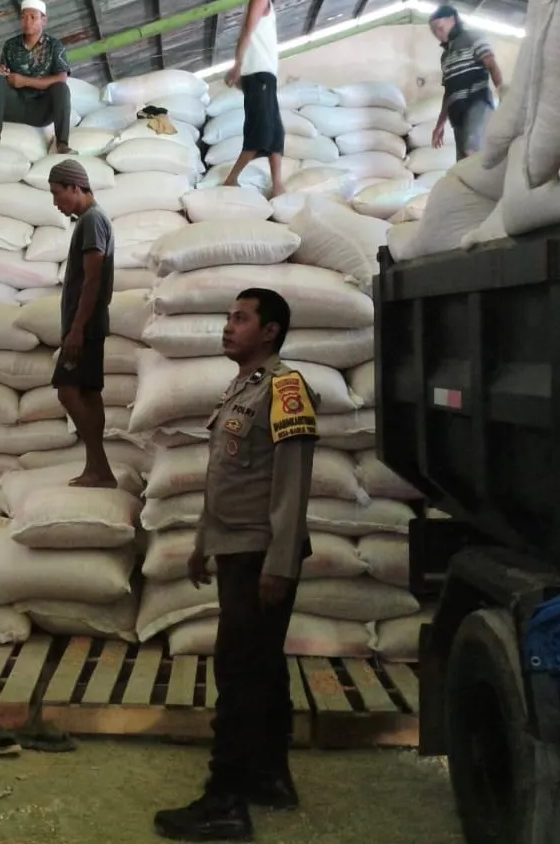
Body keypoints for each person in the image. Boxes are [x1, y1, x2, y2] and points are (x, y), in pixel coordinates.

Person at [154, 288, 319, 843]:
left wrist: (280, 564)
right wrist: (203, 541)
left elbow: (291, 486)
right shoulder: (241, 388)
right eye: (229, 317)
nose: (229, 327)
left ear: (270, 331)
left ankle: (225, 801)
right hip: (235, 547)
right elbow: (224, 477)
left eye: (241, 319)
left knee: (240, 671)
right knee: (262, 666)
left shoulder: (286, 390)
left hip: (260, 554)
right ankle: (270, 777)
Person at [48, 159, 117, 488]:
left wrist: (76, 329)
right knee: (88, 393)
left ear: (76, 188)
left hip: (85, 325)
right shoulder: (92, 219)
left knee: (67, 390)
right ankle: (95, 467)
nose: (55, 202)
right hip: (89, 323)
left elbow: (93, 278)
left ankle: (99, 466)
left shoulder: (91, 221)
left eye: (57, 193)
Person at [222, 0, 288, 198]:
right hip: (258, 76)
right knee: (260, 133)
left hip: (265, 76)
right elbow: (246, 33)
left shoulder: (264, 1)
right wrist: (237, 66)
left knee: (277, 133)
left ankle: (277, 185)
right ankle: (231, 179)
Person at [0, 0, 73, 155]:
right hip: (15, 107)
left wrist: (25, 81)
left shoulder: (55, 46)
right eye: (23, 17)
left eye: (33, 17)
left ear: (44, 20)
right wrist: (2, 72)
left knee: (61, 89)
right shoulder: (10, 45)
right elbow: (4, 73)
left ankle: (62, 144)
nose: (27, 21)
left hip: (41, 110)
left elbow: (61, 78)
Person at [429, 4, 504, 160]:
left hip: (478, 103)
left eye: (440, 28)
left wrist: (504, 95)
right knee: (463, 162)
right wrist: (439, 125)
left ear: (453, 19)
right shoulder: (445, 57)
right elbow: (449, 93)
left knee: (472, 149)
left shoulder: (473, 38)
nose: (438, 34)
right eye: (434, 31)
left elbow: (491, 64)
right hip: (457, 113)